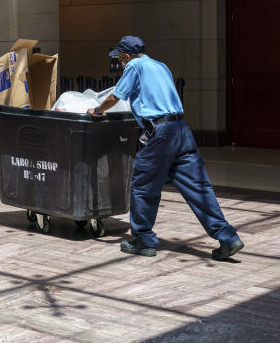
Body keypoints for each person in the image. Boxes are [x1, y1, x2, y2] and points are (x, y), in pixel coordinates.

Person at [90, 36, 243, 261]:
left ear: (125, 56)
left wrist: (97, 111)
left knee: (143, 187)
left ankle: (143, 240)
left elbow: (115, 96)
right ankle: (228, 237)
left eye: (119, 59)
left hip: (159, 134)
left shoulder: (134, 65)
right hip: (182, 131)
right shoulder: (161, 65)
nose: (120, 63)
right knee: (198, 188)